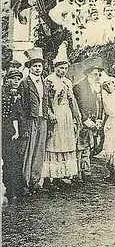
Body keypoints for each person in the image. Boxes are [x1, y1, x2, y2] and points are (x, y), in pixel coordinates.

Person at [41, 42, 81, 189]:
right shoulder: (49, 80)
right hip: (55, 114)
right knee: (52, 143)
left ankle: (59, 176)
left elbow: (72, 100)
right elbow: (45, 101)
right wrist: (50, 114)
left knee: (64, 143)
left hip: (66, 115)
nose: (63, 71)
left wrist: (77, 116)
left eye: (65, 68)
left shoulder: (68, 82)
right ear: (55, 67)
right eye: (60, 68)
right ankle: (47, 178)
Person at [17, 47, 52, 195]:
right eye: (35, 66)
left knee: (39, 151)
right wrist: (23, 126)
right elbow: (22, 106)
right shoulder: (25, 83)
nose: (38, 68)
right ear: (30, 68)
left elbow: (47, 103)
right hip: (30, 120)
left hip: (42, 119)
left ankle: (35, 181)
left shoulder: (44, 83)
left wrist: (49, 121)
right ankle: (24, 183)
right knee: (28, 151)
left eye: (40, 66)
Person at [73, 59, 105, 184]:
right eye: (95, 74)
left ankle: (85, 171)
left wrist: (98, 119)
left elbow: (99, 104)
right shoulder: (79, 86)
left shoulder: (97, 87)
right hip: (82, 121)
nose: (97, 77)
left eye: (99, 74)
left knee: (87, 146)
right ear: (88, 74)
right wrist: (86, 120)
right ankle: (77, 172)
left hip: (92, 121)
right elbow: (78, 106)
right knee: (79, 147)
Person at [2, 68, 25, 202]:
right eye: (13, 79)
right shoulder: (3, 92)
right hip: (3, 129)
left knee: (12, 160)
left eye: (18, 79)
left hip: (10, 130)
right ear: (7, 79)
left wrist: (16, 130)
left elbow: (16, 114)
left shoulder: (16, 94)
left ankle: (12, 189)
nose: (16, 81)